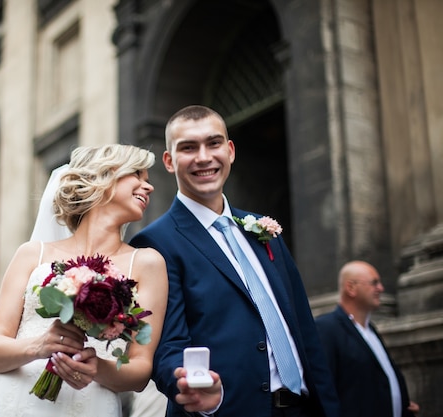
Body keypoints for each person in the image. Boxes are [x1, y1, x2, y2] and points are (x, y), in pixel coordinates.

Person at [130, 105, 339, 417]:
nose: (203, 157)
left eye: (213, 143)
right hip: (227, 410)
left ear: (230, 151)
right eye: (188, 147)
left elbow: (303, 327)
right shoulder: (154, 244)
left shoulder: (264, 229)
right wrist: (189, 387)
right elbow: (166, 346)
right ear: (170, 161)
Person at [0, 144, 168, 417]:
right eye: (137, 175)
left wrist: (97, 367)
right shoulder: (32, 254)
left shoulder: (147, 263)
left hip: (90, 406)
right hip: (13, 403)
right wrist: (38, 346)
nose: (149, 188)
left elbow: (139, 371)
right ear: (102, 176)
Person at [315, 261, 420, 417]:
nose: (381, 288)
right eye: (374, 283)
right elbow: (323, 388)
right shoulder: (327, 328)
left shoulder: (371, 330)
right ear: (351, 288)